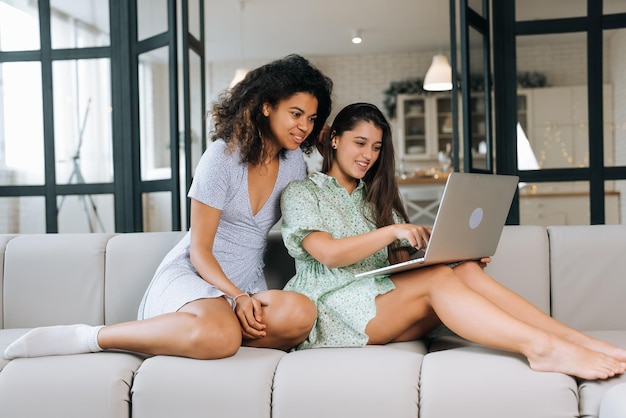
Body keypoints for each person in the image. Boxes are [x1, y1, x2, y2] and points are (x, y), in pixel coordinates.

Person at [4, 54, 333, 360]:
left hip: (246, 283)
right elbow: (199, 251)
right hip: (196, 277)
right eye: (296, 114)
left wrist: (333, 144)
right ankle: (92, 337)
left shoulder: (293, 166)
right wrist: (235, 296)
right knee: (222, 336)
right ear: (266, 107)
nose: (303, 126)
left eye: (311, 119)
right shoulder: (222, 158)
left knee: (302, 314)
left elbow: (323, 203)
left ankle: (205, 334)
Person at [279, 102, 626, 380]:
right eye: (360, 143)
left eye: (376, 147)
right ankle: (542, 348)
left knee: (464, 272)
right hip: (333, 309)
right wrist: (392, 231)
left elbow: (397, 268)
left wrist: (448, 256)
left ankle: (575, 339)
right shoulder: (303, 192)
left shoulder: (376, 198)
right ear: (335, 139)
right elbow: (329, 255)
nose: (368, 155)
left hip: (379, 300)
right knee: (442, 278)